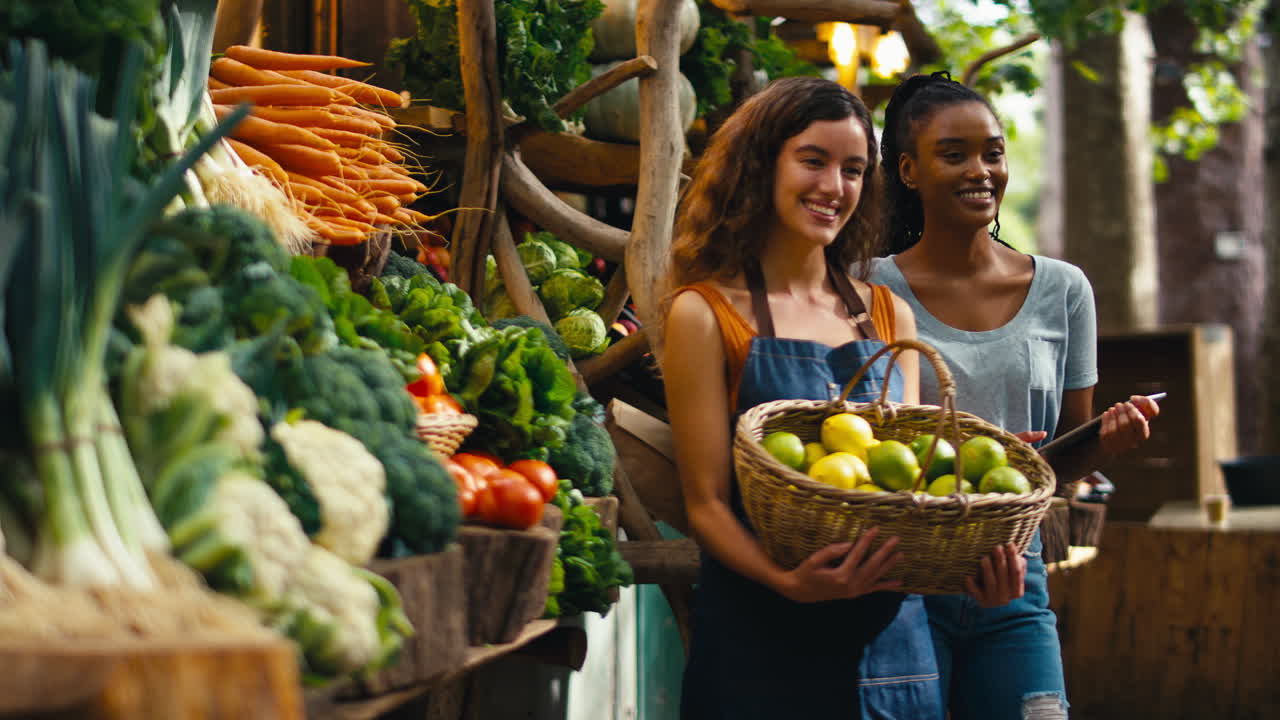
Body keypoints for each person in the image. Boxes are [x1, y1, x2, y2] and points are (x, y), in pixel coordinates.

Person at [660, 76, 1023, 719]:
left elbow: (908, 493)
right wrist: (788, 583)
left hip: (893, 657)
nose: (835, 187)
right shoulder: (706, 314)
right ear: (760, 166)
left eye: (853, 170)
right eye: (813, 161)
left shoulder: (888, 318)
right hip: (759, 649)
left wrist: (972, 573)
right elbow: (708, 506)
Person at [870, 71, 1160, 720]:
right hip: (901, 588)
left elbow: (1059, 470)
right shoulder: (870, 291)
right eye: (955, 154)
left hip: (1014, 581)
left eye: (993, 153)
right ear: (910, 171)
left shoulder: (1064, 291)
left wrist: (1105, 442)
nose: (981, 170)